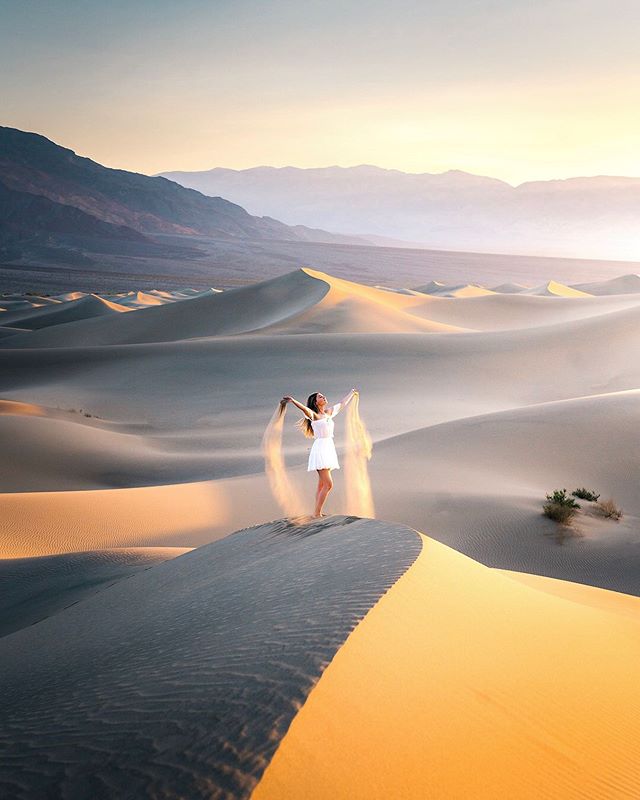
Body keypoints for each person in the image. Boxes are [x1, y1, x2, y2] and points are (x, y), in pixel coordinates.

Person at [282, 388, 358, 518]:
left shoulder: (328, 413)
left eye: (323, 396)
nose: (323, 397)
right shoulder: (314, 415)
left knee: (322, 484)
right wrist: (293, 401)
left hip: (329, 448)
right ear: (316, 402)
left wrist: (352, 393)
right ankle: (317, 513)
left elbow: (342, 403)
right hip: (321, 449)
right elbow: (304, 410)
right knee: (328, 484)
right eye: (320, 397)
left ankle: (316, 512)